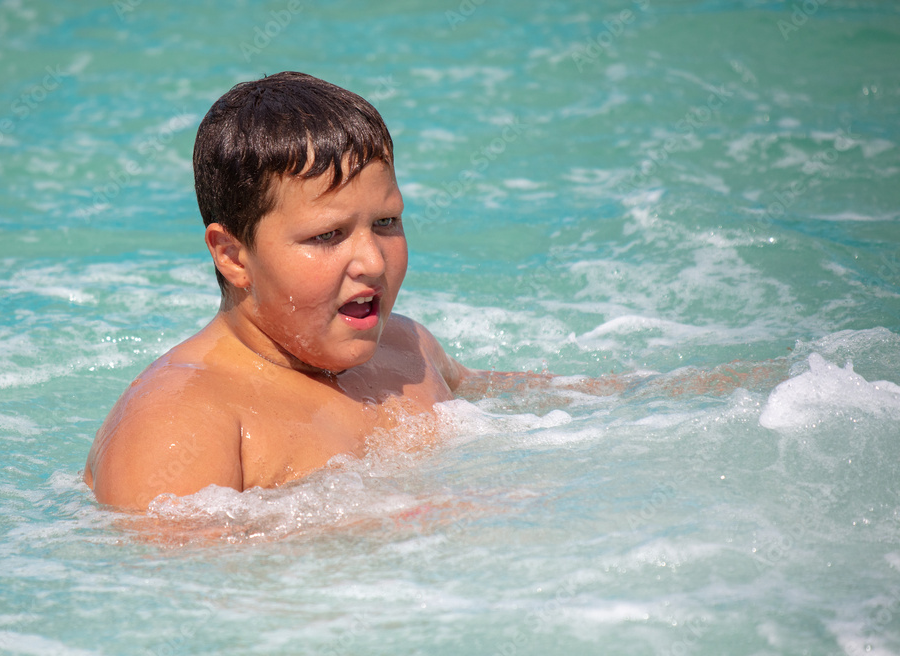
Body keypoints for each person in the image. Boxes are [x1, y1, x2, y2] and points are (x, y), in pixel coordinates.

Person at [83, 72, 777, 511]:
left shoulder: (407, 350)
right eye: (326, 237)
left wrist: (692, 393)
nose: (370, 261)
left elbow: (520, 399)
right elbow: (170, 586)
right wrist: (416, 517)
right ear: (233, 254)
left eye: (386, 223)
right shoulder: (183, 418)